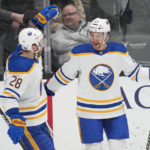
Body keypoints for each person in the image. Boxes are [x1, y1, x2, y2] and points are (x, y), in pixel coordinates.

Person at [45, 18, 150, 150]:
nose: (94, 39)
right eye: (92, 35)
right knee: (93, 147)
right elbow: (65, 74)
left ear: (107, 36)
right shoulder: (80, 52)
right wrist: (49, 89)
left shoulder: (118, 51)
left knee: (118, 146)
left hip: (115, 111)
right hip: (88, 112)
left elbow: (135, 72)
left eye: (98, 35)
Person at [0, 5, 60, 150]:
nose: (43, 44)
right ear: (33, 47)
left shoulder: (26, 50)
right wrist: (16, 119)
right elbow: (8, 97)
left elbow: (29, 38)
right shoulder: (21, 68)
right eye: (41, 42)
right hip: (30, 127)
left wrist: (38, 24)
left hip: (40, 122)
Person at [51, 3, 90, 71]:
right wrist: (86, 44)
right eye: (64, 15)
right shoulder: (60, 31)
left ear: (78, 15)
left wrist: (69, 36)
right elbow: (59, 46)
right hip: (68, 71)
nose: (67, 17)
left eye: (70, 14)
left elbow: (92, 39)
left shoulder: (89, 26)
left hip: (89, 68)